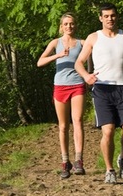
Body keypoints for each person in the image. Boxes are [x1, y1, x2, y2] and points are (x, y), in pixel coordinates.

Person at [74, 3, 123, 184]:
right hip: (103, 89)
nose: (110, 19)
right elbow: (79, 63)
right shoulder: (93, 38)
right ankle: (109, 170)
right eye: (106, 16)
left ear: (117, 16)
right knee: (108, 130)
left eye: (112, 15)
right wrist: (86, 76)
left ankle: (122, 158)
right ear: (100, 18)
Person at [37, 13, 87, 179]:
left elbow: (93, 58)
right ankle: (65, 162)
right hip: (60, 86)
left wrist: (90, 75)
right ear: (61, 27)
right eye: (66, 24)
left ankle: (79, 160)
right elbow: (40, 62)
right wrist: (57, 55)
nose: (69, 27)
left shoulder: (82, 43)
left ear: (75, 25)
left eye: (71, 24)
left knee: (78, 121)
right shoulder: (55, 43)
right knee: (63, 125)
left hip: (77, 84)